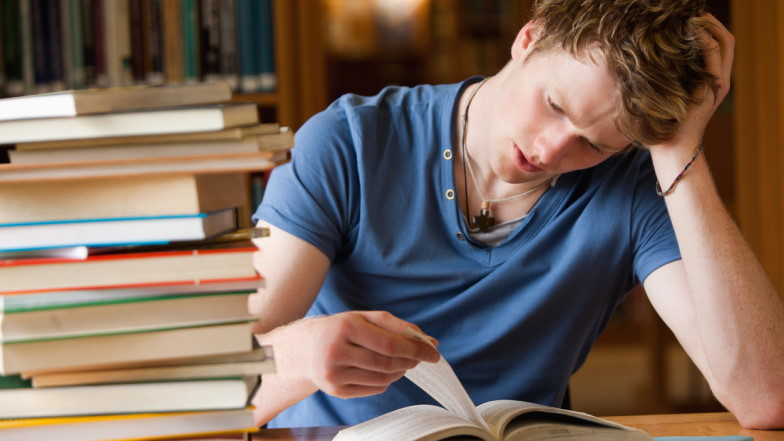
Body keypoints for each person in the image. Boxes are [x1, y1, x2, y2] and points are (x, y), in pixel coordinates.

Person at [249, 0, 784, 430]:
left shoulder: (635, 185)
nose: (551, 150)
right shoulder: (351, 144)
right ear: (528, 39)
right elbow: (218, 385)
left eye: (594, 144)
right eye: (554, 105)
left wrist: (678, 146)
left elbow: (766, 398)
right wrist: (299, 355)